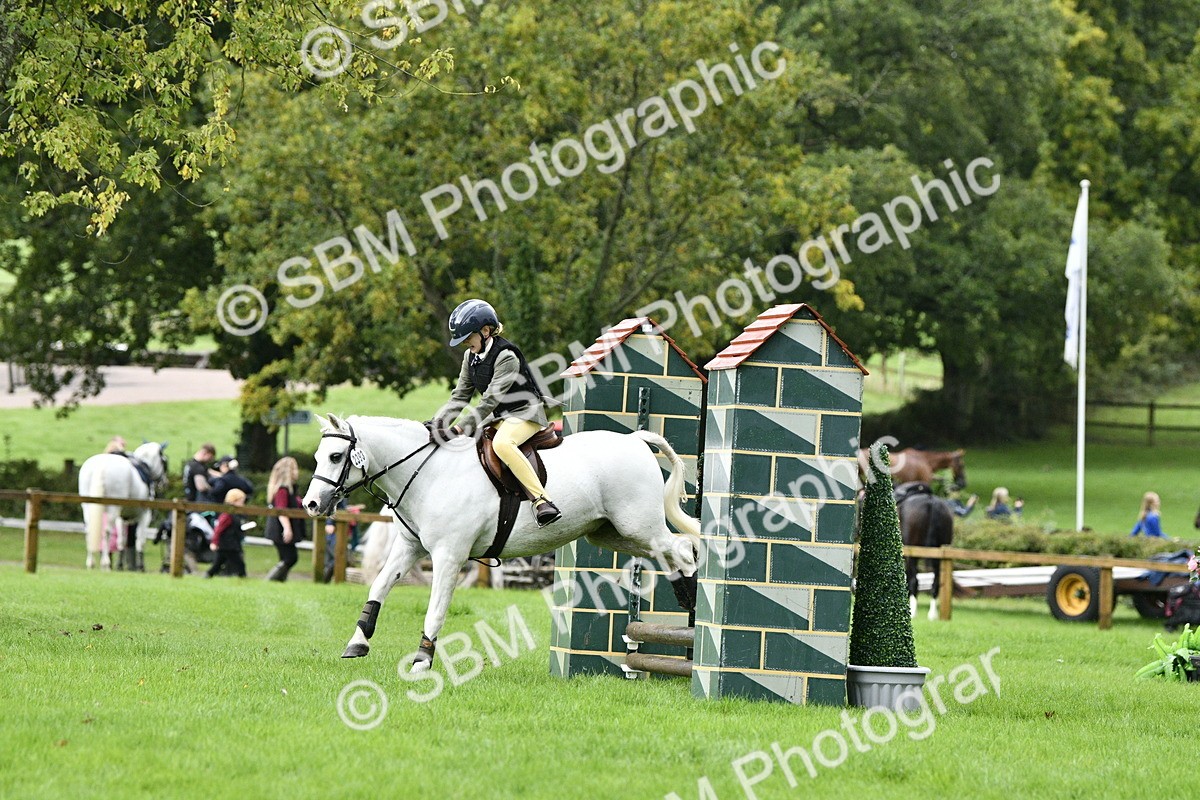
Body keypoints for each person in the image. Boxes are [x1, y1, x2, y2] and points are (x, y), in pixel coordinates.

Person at [432, 299, 561, 527]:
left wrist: (460, 427)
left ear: (485, 331)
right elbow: (460, 394)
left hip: (525, 413)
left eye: (468, 338)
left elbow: (489, 400)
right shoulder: (469, 357)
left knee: (502, 444)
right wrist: (439, 422)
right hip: (500, 416)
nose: (465, 344)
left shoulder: (506, 356)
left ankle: (542, 501)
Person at [265, 456, 304, 582]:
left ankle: (280, 581)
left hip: (279, 528)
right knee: (290, 558)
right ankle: (271, 580)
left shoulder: (289, 490)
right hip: (280, 528)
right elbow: (281, 511)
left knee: (286, 557)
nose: (297, 472)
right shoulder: (282, 490)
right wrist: (287, 529)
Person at [206, 488, 248, 578]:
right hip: (228, 545)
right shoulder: (227, 515)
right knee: (239, 564)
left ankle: (209, 575)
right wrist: (214, 542)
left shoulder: (234, 514)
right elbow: (218, 529)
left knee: (218, 563)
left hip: (229, 544)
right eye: (240, 502)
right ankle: (243, 577)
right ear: (234, 501)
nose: (242, 504)